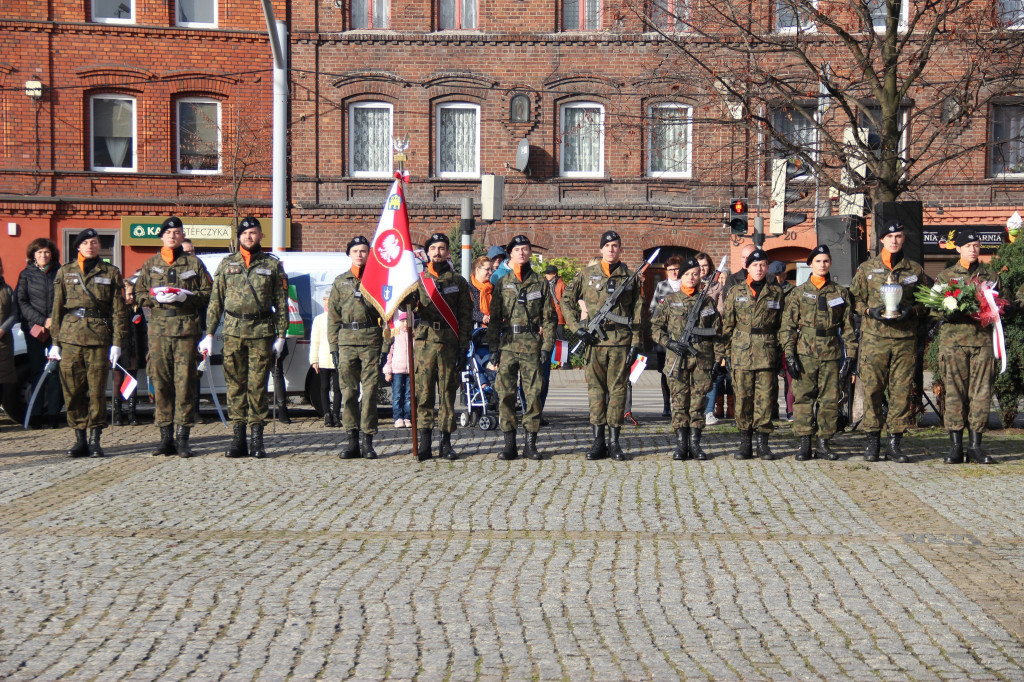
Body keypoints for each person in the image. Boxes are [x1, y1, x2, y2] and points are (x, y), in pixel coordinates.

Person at [200, 216, 288, 459]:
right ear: (239, 237)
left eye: (254, 232)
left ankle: (257, 439)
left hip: (261, 331)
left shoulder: (272, 265)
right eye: (245, 233)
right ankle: (238, 438)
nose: (249, 236)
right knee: (235, 386)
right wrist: (208, 333)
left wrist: (282, 335)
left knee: (258, 386)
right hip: (232, 331)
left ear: (261, 235)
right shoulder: (227, 264)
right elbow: (215, 302)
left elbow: (281, 303)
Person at [850, 221, 929, 462]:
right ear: (881, 240)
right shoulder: (866, 269)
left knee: (901, 392)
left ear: (904, 239)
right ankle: (872, 441)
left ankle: (895, 441)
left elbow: (927, 302)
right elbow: (855, 300)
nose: (894, 240)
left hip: (904, 339)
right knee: (872, 389)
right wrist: (868, 312)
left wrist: (913, 312)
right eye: (890, 236)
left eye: (899, 236)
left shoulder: (914, 270)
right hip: (875, 339)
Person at [562, 230, 644, 461]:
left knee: (618, 392)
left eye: (615, 245)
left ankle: (614, 442)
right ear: (600, 250)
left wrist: (636, 343)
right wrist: (576, 328)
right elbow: (565, 300)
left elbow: (638, 313)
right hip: (595, 343)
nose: (611, 249)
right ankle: (598, 441)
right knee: (596, 392)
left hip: (620, 343)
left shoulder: (630, 277)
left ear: (620, 249)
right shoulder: (586, 274)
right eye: (607, 245)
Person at [134, 217, 213, 456]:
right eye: (168, 233)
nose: (173, 236)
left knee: (185, 384)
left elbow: (208, 292)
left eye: (177, 232)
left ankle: (183, 438)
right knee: (161, 383)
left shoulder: (194, 263)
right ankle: (165, 437)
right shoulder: (150, 264)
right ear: (161, 237)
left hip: (186, 330)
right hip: (158, 330)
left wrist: (185, 297)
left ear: (181, 236)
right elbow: (138, 293)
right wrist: (153, 298)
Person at [49, 229, 128, 457]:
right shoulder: (65, 272)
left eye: (94, 242)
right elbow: (57, 309)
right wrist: (55, 342)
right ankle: (79, 438)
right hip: (70, 338)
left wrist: (117, 342)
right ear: (78, 247)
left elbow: (119, 311)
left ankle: (95, 439)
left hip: (99, 338)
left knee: (96, 391)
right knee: (72, 391)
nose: (91, 246)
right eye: (86, 242)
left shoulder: (111, 272)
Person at [780, 245, 858, 461]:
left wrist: (850, 356)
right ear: (810, 264)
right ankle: (804, 443)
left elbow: (849, 327)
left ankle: (823, 443)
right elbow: (787, 326)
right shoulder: (797, 293)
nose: (822, 265)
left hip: (832, 352)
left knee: (829, 400)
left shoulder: (841, 293)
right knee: (803, 398)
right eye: (818, 261)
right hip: (805, 352)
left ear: (830, 263)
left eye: (825, 261)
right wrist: (789, 354)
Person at [486, 235, 557, 460]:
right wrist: (494, 348)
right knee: (505, 394)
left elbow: (549, 318)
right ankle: (509, 444)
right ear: (511, 254)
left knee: (533, 394)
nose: (522, 253)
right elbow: (494, 318)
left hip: (531, 345)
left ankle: (530, 444)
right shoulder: (503, 282)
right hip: (507, 345)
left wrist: (547, 346)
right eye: (518, 249)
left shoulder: (540, 282)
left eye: (525, 249)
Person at [934, 229, 1001, 464]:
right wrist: (948, 312)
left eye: (976, 245)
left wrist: (1005, 308)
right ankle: (955, 447)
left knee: (981, 394)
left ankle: (975, 447)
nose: (973, 249)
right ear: (959, 248)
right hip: (954, 344)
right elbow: (933, 308)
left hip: (982, 343)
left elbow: (1003, 303)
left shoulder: (990, 276)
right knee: (954, 394)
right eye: (968, 245)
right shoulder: (945, 277)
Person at [651, 256, 722, 460]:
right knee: (680, 402)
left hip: (702, 358)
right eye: (687, 274)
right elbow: (655, 328)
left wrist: (718, 359)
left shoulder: (707, 301)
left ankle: (696, 444)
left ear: (701, 276)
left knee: (698, 402)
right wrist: (669, 343)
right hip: (677, 359)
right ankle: (681, 445)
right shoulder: (670, 301)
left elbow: (717, 331)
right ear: (681, 276)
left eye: (695, 274)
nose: (691, 277)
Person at [410, 232, 473, 461]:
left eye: (442, 248)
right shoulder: (417, 280)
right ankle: (425, 443)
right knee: (423, 394)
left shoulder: (458, 282)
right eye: (434, 248)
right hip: (425, 343)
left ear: (448, 252)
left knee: (447, 394)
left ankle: (446, 444)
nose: (438, 252)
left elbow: (466, 316)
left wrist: (464, 346)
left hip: (449, 343)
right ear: (427, 252)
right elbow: (406, 310)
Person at [721, 248, 785, 460]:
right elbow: (727, 326)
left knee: (765, 399)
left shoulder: (776, 292)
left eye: (762, 265)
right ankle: (745, 442)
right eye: (755, 265)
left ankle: (763, 444)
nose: (759, 269)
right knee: (743, 398)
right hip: (741, 352)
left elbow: (781, 325)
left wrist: (781, 351)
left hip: (767, 352)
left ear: (767, 268)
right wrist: (726, 354)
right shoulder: (736, 291)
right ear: (747, 267)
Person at [328, 235, 388, 460]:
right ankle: (352, 440)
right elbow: (333, 317)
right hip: (346, 342)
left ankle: (368, 441)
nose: (360, 254)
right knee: (348, 392)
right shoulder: (340, 281)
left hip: (371, 339)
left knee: (371, 392)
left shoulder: (377, 280)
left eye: (364, 251)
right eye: (355, 251)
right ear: (349, 254)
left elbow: (387, 315)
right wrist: (333, 346)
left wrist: (385, 347)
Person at [16, 238, 62, 429]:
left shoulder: (60, 272)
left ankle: (53, 415)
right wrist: (42, 321)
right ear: (33, 255)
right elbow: (22, 302)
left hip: (56, 330)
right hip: (34, 330)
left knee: (54, 373)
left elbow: (64, 299)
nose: (43, 255)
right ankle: (35, 415)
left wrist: (52, 320)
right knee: (37, 371)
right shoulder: (26, 275)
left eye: (46, 252)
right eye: (39, 252)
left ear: (52, 254)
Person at [650, 256, 684, 418]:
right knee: (665, 371)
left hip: (682, 337)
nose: (674, 272)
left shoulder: (686, 285)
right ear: (666, 271)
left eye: (677, 269)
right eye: (671, 270)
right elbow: (653, 308)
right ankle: (666, 404)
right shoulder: (662, 286)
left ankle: (680, 404)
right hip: (665, 338)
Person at [112, 276, 147, 427]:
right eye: (128, 294)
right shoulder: (116, 311)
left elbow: (143, 331)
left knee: (131, 381)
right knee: (118, 381)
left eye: (133, 294)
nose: (131, 297)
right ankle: (116, 414)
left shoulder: (137, 310)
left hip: (134, 350)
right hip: (120, 350)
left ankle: (132, 413)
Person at [696, 252, 726, 425]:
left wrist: (709, 309)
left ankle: (709, 411)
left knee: (712, 374)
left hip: (711, 332)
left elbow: (721, 310)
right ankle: (695, 408)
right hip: (694, 334)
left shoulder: (716, 287)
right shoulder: (690, 283)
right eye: (699, 266)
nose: (702, 269)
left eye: (705, 265)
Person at [309, 291, 340, 427]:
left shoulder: (340, 317)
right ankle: (327, 414)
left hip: (337, 357)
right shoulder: (319, 319)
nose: (326, 304)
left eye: (328, 301)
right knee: (324, 386)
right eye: (325, 301)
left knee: (338, 388)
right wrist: (314, 359)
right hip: (323, 357)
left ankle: (336, 414)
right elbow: (315, 340)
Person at [384, 311, 412, 428]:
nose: (405, 324)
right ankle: (398, 417)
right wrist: (388, 371)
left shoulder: (413, 335)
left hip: (410, 371)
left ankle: (407, 416)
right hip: (397, 370)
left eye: (407, 321)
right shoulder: (395, 335)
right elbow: (389, 355)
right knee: (397, 395)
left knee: (409, 396)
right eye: (402, 321)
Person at [0, 257, 18, 429]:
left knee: (3, 381)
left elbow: (13, 313)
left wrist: (2, 329)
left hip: (3, 342)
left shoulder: (6, 289)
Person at [469, 256, 493, 328]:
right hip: (473, 330)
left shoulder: (493, 288)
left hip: (492, 331)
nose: (490, 272)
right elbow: (464, 310)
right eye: (487, 269)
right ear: (478, 270)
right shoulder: (468, 288)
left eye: (491, 269)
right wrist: (481, 317)